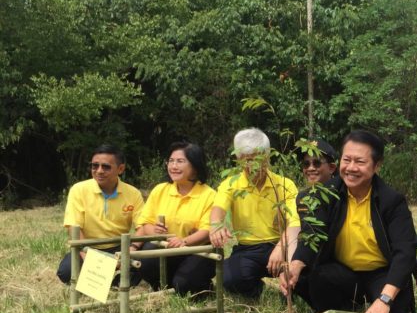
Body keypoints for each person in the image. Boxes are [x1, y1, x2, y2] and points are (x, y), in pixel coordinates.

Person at [281, 130, 417, 313]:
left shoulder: (391, 201)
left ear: (376, 166)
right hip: (343, 272)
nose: (351, 167)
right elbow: (311, 235)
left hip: (380, 273)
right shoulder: (326, 195)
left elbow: (405, 251)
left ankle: (374, 302)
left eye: (360, 161)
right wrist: (295, 264)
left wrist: (385, 298)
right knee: (316, 275)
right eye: (347, 160)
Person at [209, 128, 301, 299]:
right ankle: (257, 290)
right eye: (248, 160)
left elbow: (295, 223)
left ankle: (288, 290)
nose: (254, 166)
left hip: (283, 244)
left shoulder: (284, 185)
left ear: (268, 156)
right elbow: (218, 209)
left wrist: (282, 247)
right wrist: (216, 225)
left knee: (304, 273)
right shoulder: (231, 184)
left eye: (259, 159)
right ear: (238, 159)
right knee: (229, 278)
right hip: (247, 249)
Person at [134, 141, 217, 296]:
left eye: (180, 161)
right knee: (145, 261)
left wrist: (184, 241)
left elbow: (207, 231)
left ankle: (200, 287)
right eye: (171, 161)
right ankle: (166, 287)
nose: (173, 166)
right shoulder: (160, 190)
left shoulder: (209, 195)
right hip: (167, 248)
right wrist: (155, 230)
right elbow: (145, 224)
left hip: (196, 250)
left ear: (195, 166)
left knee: (184, 285)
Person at [57, 144, 144, 285]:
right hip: (88, 246)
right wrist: (87, 255)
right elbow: (73, 227)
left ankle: (116, 283)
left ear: (120, 169)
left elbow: (143, 227)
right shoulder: (78, 190)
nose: (99, 171)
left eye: (106, 167)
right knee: (66, 272)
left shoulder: (133, 193)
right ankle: (107, 278)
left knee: (147, 259)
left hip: (120, 248)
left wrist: (130, 250)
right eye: (94, 166)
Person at [293, 138, 338, 309]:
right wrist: (297, 260)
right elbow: (307, 232)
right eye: (306, 164)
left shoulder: (341, 193)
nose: (311, 168)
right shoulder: (303, 197)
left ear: (332, 168)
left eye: (317, 163)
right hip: (316, 256)